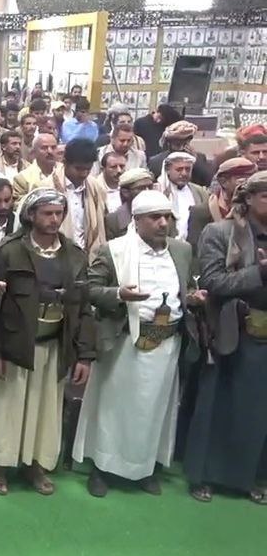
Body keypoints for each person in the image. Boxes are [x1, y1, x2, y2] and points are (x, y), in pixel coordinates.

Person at [74, 190, 203, 497]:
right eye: (155, 218)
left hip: (166, 343)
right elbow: (89, 289)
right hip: (124, 341)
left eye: (167, 217)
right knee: (114, 408)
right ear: (137, 220)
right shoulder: (114, 250)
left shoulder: (182, 250)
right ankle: (103, 468)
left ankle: (143, 469)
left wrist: (194, 297)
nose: (163, 223)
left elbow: (186, 286)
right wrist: (119, 294)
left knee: (153, 408)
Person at [0, 188, 94, 496]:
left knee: (47, 411)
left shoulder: (74, 255)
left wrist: (84, 355)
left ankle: (36, 466)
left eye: (59, 213)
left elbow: (83, 308)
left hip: (55, 344)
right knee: (8, 409)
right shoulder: (9, 251)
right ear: (31, 215)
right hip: (16, 345)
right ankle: (0, 466)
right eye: (47, 213)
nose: (54, 219)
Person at [185, 171, 267, 504]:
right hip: (231, 329)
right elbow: (213, 282)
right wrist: (259, 272)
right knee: (217, 405)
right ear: (248, 198)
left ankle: (247, 478)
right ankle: (203, 476)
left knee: (258, 411)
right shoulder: (219, 232)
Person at [49, 138, 108, 256]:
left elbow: (100, 228)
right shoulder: (47, 187)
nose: (84, 174)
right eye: (79, 169)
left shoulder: (96, 187)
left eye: (88, 169)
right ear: (65, 162)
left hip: (89, 256)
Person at [187, 158, 256, 254]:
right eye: (242, 179)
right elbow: (195, 251)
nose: (248, 185)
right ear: (224, 182)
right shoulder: (201, 212)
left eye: (252, 179)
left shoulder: (257, 210)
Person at [157, 152, 209, 241]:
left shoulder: (200, 192)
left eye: (188, 169)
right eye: (179, 169)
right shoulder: (159, 191)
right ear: (168, 170)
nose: (184, 173)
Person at [148, 121, 214, 187]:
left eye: (185, 144)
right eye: (177, 144)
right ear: (169, 144)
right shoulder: (156, 161)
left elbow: (208, 181)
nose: (181, 148)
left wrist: (195, 160)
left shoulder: (199, 158)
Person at [11, 134, 61, 203]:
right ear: (34, 152)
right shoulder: (22, 179)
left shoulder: (66, 172)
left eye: (53, 147)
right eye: (44, 148)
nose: (50, 151)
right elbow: (18, 206)